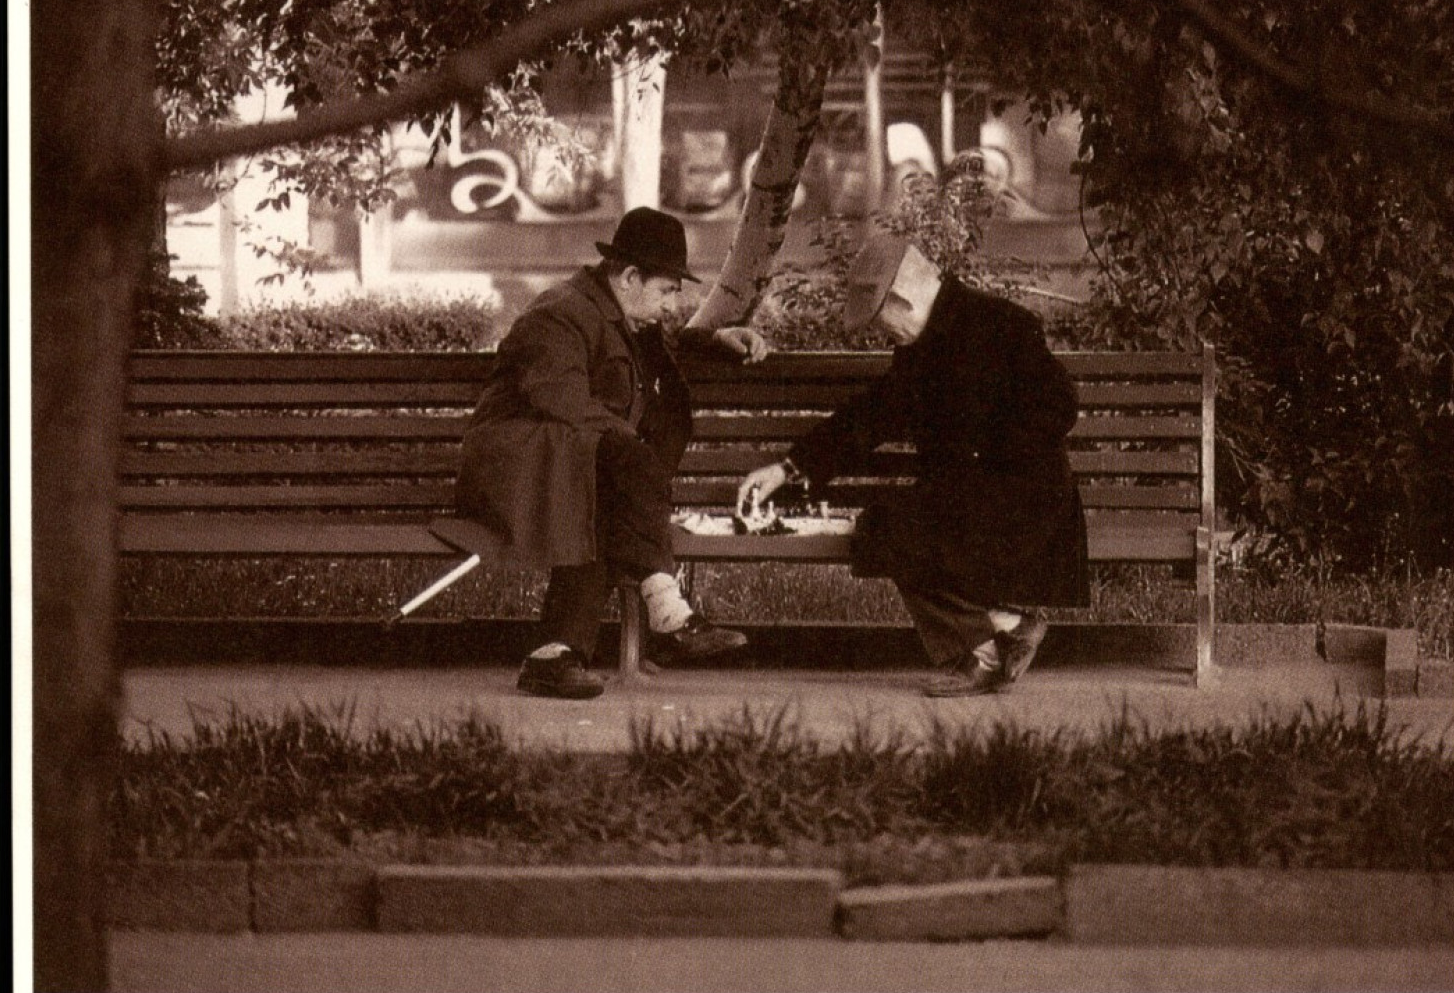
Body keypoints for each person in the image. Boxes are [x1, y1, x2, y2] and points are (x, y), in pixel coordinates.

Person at [738, 232, 1089, 697]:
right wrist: (788, 467)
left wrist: (986, 458)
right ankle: (1006, 626)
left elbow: (1060, 407)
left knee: (898, 528)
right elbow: (873, 416)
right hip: (975, 500)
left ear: (902, 300)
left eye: (881, 323)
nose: (882, 335)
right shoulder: (921, 346)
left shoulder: (1005, 325)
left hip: (1026, 500)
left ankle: (985, 653)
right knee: (886, 527)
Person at [457, 207, 768, 699]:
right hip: (516, 469)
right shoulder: (558, 313)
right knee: (623, 469)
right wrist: (632, 449)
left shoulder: (613, 309)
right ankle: (667, 612)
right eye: (667, 291)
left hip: (567, 465)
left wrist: (714, 340)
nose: (671, 305)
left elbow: (655, 347)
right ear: (629, 277)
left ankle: (553, 657)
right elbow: (562, 400)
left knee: (608, 501)